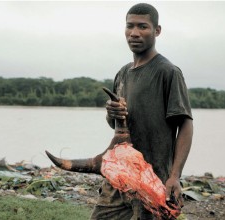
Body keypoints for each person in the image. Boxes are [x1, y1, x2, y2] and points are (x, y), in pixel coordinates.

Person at [91, 3, 193, 220]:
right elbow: (116, 126)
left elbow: (185, 124)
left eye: (143, 27)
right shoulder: (122, 73)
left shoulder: (168, 72)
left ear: (157, 31)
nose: (134, 33)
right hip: (120, 174)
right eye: (130, 26)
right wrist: (113, 113)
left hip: (153, 177)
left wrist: (175, 176)